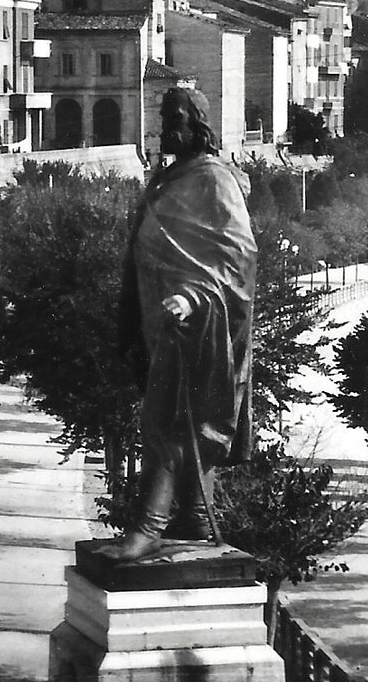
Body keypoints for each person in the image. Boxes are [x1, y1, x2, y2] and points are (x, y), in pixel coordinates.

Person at [101, 86, 257, 563]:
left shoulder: (213, 179)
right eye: (165, 116)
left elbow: (238, 255)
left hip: (195, 322)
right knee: (182, 418)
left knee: (167, 421)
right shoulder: (170, 178)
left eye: (178, 118)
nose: (168, 125)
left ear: (199, 126)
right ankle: (190, 516)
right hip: (158, 321)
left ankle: (148, 528)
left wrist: (192, 299)